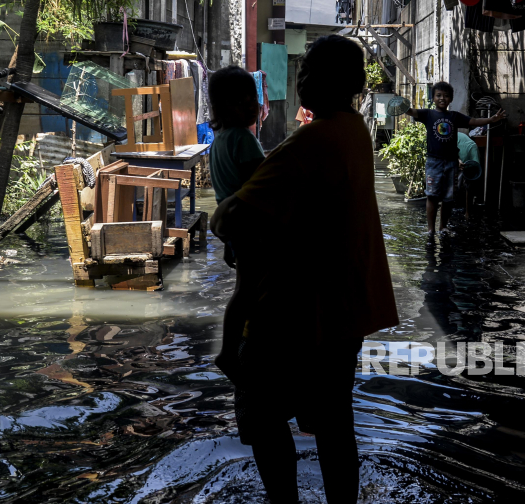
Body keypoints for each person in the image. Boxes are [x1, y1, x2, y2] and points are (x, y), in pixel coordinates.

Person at [211, 35, 399, 503]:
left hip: (296, 309)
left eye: (312, 71)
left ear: (339, 82)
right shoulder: (353, 130)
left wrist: (226, 214)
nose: (303, 80)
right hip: (343, 305)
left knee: (263, 414)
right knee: (335, 421)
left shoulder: (310, 141)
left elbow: (227, 218)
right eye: (304, 71)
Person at [407, 82, 506, 237]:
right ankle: (431, 229)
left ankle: (443, 227)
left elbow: (473, 121)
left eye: (446, 96)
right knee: (432, 196)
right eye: (439, 95)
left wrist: (491, 120)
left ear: (451, 99)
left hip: (452, 163)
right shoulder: (428, 114)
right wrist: (400, 105)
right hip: (434, 162)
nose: (442, 98)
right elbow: (411, 111)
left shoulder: (454, 116)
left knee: (448, 198)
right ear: (433, 97)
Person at [208, 65, 265, 269]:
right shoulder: (243, 139)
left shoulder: (218, 142)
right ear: (223, 107)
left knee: (245, 286)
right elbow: (262, 186)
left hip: (233, 226)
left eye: (252, 98)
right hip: (250, 226)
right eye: (241, 101)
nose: (252, 106)